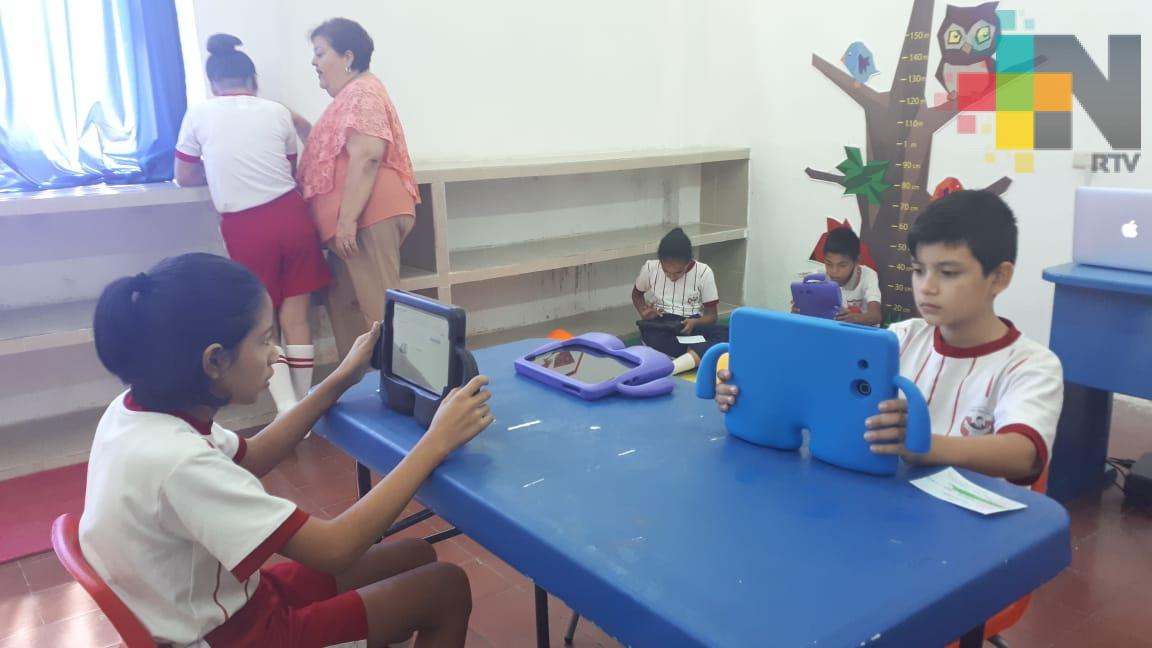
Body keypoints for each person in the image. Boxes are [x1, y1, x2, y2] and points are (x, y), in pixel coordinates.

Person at [81, 253, 492, 647]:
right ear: (215, 361)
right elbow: (336, 548)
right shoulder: (179, 463)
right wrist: (435, 442)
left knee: (415, 554)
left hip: (228, 607)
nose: (276, 354)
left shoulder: (135, 412)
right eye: (264, 340)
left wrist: (339, 380)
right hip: (233, 636)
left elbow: (252, 457)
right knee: (446, 588)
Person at [716, 191, 1063, 485]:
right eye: (918, 270)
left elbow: (1023, 454)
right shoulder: (897, 339)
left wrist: (923, 445)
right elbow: (815, 388)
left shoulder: (1031, 365)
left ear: (999, 278)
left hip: (975, 522)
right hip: (888, 505)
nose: (926, 286)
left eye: (948, 272)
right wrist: (750, 392)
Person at [174, 33, 330, 414]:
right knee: (297, 317)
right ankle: (305, 406)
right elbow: (288, 168)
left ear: (213, 84)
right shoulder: (277, 112)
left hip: (247, 227)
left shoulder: (199, 114)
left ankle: (288, 409)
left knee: (263, 323)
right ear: (253, 81)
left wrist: (220, 171)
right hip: (293, 218)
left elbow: (184, 175)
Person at [294, 18, 420, 359]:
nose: (314, 62)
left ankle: (404, 382)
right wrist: (301, 125)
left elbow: (367, 154)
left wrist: (347, 220)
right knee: (347, 308)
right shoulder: (351, 96)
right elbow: (334, 151)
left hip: (366, 218)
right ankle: (361, 381)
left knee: (380, 312)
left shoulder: (362, 91)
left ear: (348, 57)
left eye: (321, 53)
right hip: (355, 222)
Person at [632, 227, 729, 375]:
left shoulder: (703, 272)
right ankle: (694, 356)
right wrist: (643, 311)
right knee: (653, 335)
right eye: (666, 271)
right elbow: (637, 295)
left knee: (728, 334)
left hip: (690, 324)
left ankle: (675, 365)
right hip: (662, 324)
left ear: (689, 262)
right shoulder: (650, 268)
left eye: (678, 272)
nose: (672, 277)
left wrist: (695, 323)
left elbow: (711, 316)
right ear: (660, 262)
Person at [822, 227, 882, 325]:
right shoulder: (818, 277)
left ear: (856, 261)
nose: (834, 271)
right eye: (828, 264)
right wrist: (799, 310)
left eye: (842, 265)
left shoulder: (869, 276)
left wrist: (854, 318)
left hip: (861, 332)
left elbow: (875, 316)